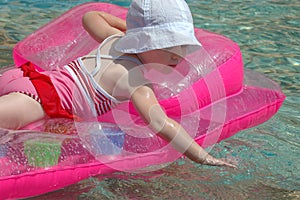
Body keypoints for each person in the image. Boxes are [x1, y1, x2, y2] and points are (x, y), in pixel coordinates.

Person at [0, 0, 237, 168]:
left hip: (27, 79)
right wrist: (202, 156)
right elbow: (161, 123)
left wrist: (132, 33)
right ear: (145, 42)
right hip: (40, 102)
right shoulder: (137, 81)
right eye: (168, 47)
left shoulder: (114, 40)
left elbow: (90, 17)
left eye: (182, 46)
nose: (178, 55)